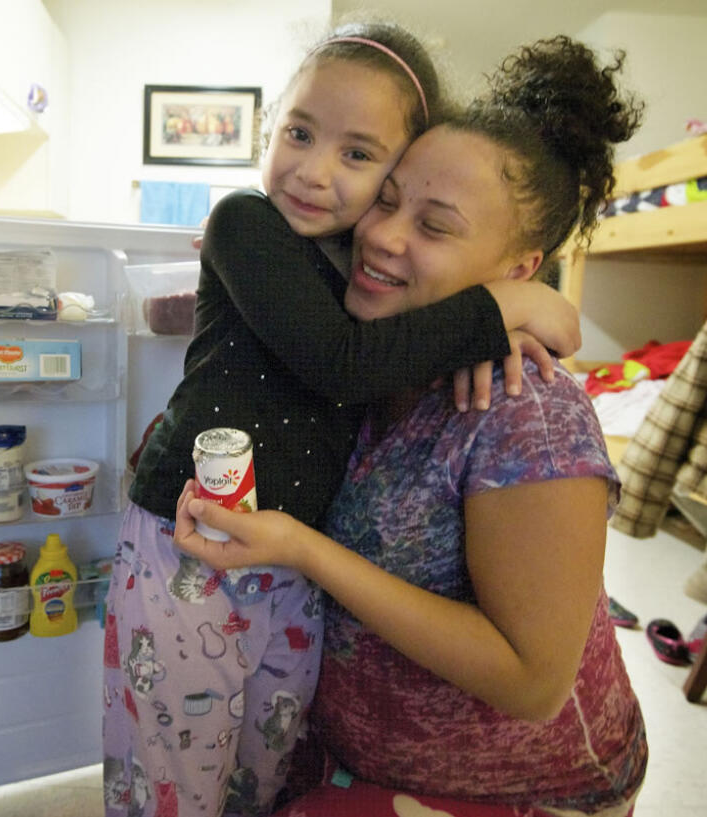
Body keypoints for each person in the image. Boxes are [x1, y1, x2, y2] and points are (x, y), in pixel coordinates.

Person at [102, 19, 584, 817]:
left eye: (360, 157)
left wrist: (508, 313)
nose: (315, 172)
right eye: (298, 132)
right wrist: (503, 306)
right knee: (169, 782)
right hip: (190, 540)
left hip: (289, 567)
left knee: (263, 770)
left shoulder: (362, 283)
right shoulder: (246, 221)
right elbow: (336, 364)